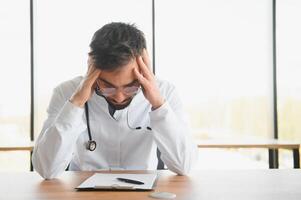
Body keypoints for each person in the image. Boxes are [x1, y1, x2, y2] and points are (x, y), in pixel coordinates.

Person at [32, 22, 198, 179]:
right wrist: (75, 104)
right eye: (108, 87)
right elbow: (46, 170)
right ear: (91, 68)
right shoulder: (66, 92)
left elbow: (184, 165)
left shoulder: (165, 92)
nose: (119, 97)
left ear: (143, 68)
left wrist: (159, 105)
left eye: (131, 86)